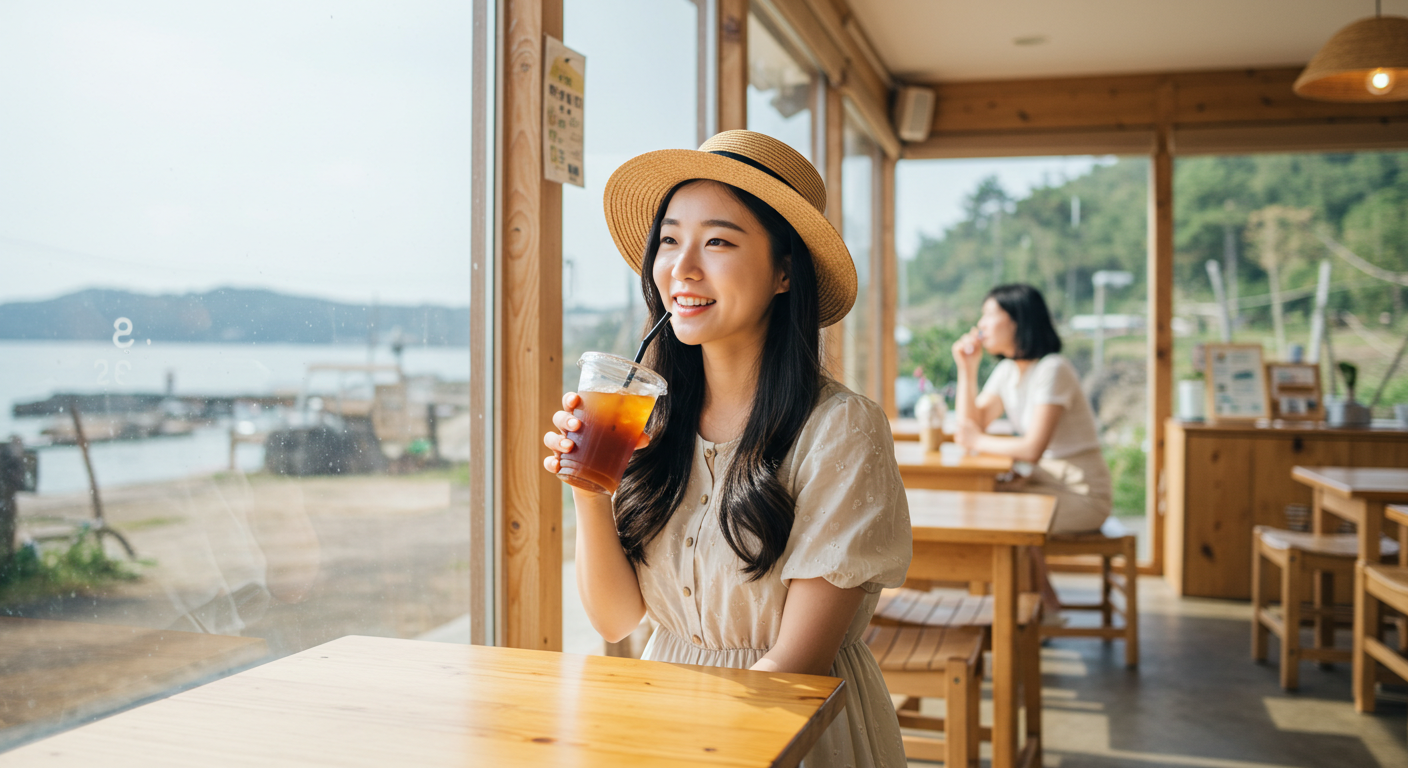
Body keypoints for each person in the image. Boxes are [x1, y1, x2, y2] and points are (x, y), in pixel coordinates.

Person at [542, 131, 911, 768]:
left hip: (785, 728)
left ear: (784, 270)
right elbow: (615, 620)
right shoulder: (654, 420)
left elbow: (796, 666)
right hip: (668, 717)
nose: (682, 268)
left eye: (716, 241)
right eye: (668, 241)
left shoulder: (841, 431)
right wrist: (590, 493)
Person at [950, 284, 1112, 534]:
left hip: (1081, 494)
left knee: (992, 517)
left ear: (1017, 320)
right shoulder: (1007, 370)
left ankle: (1022, 575)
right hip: (1044, 483)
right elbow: (972, 425)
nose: (981, 324)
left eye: (989, 314)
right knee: (977, 504)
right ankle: (1032, 576)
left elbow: (1031, 449)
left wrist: (977, 440)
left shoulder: (1053, 368)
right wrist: (967, 368)